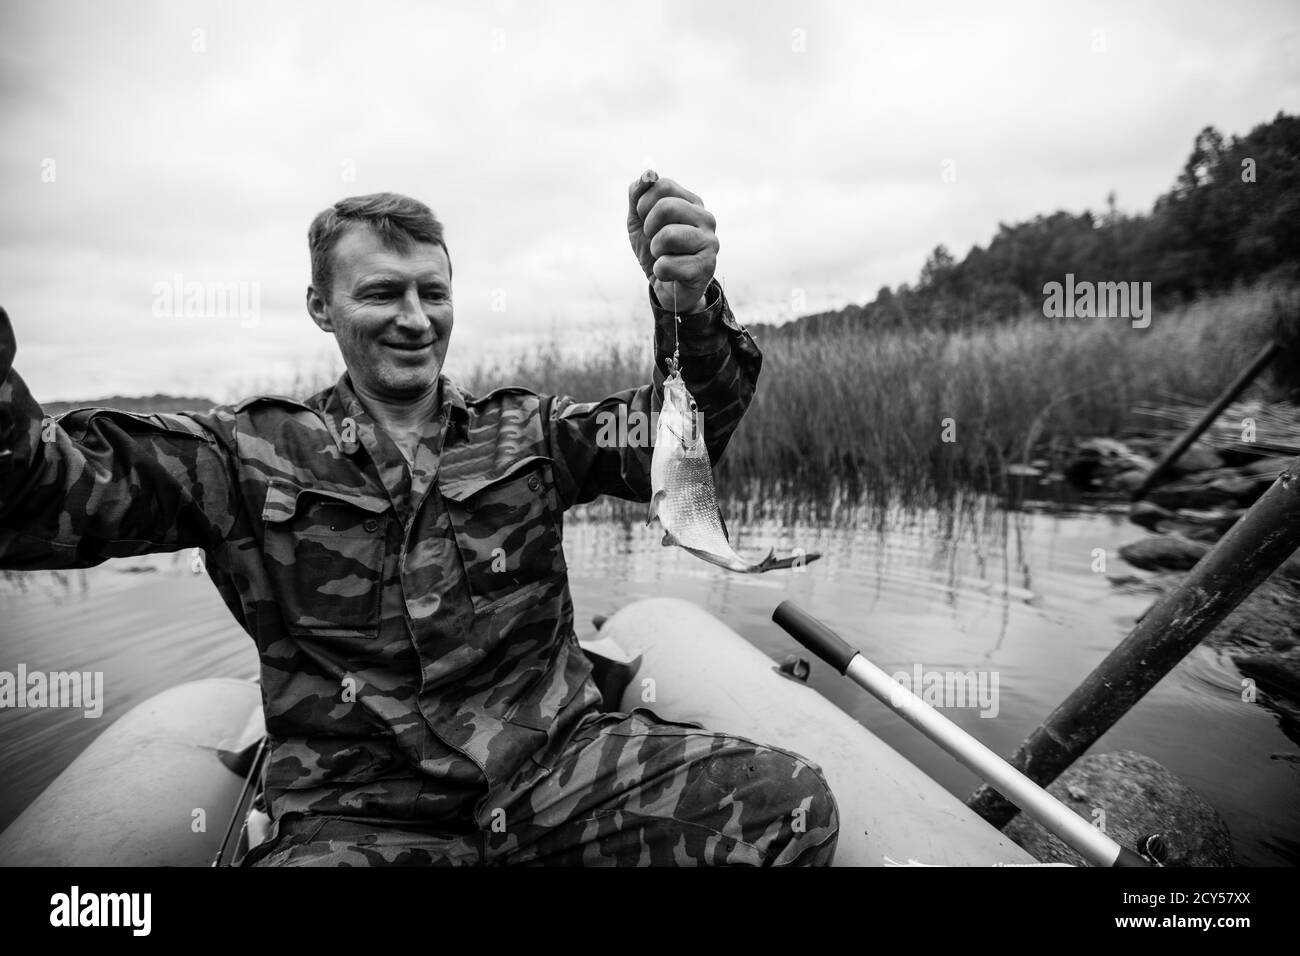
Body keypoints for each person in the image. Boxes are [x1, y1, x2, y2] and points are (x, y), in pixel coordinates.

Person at [0, 173, 839, 866]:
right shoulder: (241, 452)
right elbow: (41, 490)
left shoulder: (533, 431)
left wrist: (687, 307)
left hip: (555, 768)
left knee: (788, 807)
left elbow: (673, 436)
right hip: (354, 814)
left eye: (432, 292)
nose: (414, 316)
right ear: (321, 307)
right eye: (381, 293)